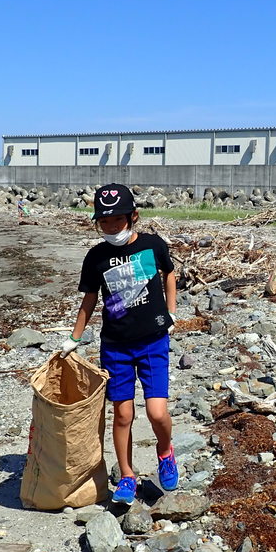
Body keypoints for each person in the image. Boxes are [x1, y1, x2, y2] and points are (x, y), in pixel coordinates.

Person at [60, 183, 178, 505]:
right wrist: (74, 338)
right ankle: (127, 475)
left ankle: (165, 452)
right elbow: (89, 299)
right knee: (123, 415)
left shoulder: (153, 245)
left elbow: (169, 274)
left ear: (133, 217)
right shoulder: (96, 257)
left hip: (153, 342)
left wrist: (171, 312)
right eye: (104, 221)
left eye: (117, 220)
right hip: (115, 347)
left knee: (157, 413)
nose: (111, 227)